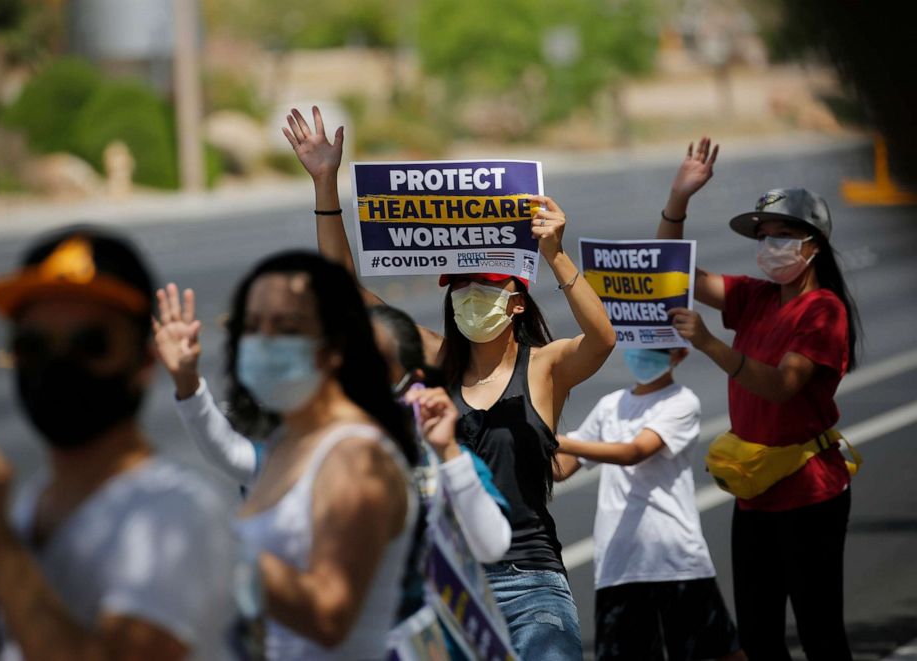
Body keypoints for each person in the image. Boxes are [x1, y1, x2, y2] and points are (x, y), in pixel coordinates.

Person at [283, 106, 617, 659]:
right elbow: (345, 293)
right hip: (453, 584)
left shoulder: (544, 366)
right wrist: (325, 184)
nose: (467, 297)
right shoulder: (435, 360)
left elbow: (602, 339)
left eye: (481, 287)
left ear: (515, 300)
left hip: (533, 584)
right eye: (458, 286)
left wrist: (555, 255)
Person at [0, 225, 234, 660]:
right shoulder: (29, 506)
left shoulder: (176, 512)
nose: (57, 365)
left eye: (90, 343)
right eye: (32, 345)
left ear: (144, 362)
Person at [658, 138, 861, 660]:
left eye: (783, 235)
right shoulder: (755, 297)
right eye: (764, 237)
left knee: (820, 632)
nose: (771, 245)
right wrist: (678, 199)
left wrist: (708, 343)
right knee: (759, 636)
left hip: (809, 492)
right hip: (755, 486)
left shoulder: (824, 310)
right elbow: (669, 275)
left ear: (813, 242)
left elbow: (781, 384)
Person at [219, 250, 421, 659]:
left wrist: (219, 546)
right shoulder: (288, 440)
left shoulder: (356, 457)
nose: (264, 342)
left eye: (287, 328)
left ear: (334, 346)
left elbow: (330, 615)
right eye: (252, 327)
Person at [554, 348, 745, 661]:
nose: (644, 354)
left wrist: (559, 440)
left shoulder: (681, 402)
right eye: (640, 345)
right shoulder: (610, 405)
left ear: (680, 354)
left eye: (657, 348)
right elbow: (559, 469)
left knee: (718, 651)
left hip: (675, 559)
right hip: (619, 564)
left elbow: (635, 452)